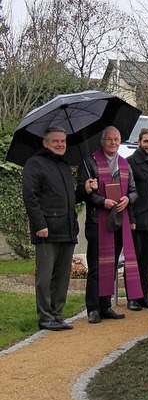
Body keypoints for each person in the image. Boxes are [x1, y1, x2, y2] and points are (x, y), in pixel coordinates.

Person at [77, 126, 143, 323]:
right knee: (97, 266)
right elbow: (80, 193)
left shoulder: (124, 164)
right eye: (109, 139)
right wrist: (97, 197)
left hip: (118, 221)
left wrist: (128, 199)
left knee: (112, 265)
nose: (113, 143)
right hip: (98, 221)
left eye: (117, 139)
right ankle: (93, 308)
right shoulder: (90, 163)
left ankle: (105, 305)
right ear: (102, 141)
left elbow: (134, 190)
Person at [21, 127, 79, 331]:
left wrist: (85, 189)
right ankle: (45, 317)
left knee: (62, 277)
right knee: (45, 277)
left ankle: (57, 315)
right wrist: (40, 224)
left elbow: (68, 198)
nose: (61, 144)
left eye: (63, 141)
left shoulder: (63, 165)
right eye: (56, 141)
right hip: (47, 230)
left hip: (67, 229)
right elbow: (30, 196)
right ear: (45, 143)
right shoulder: (34, 164)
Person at [127, 127, 148, 310]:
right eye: (146, 141)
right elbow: (127, 192)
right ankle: (132, 297)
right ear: (139, 142)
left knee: (147, 261)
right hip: (137, 219)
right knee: (134, 261)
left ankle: (144, 296)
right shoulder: (130, 162)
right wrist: (131, 217)